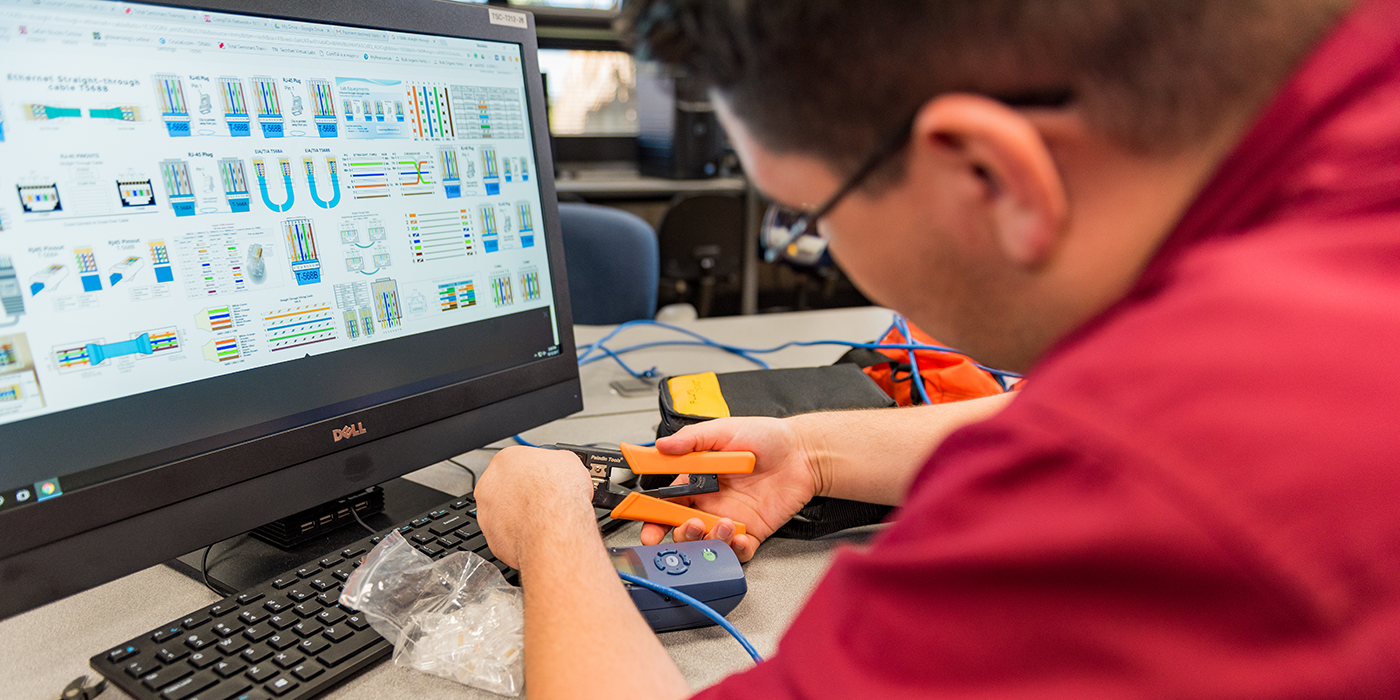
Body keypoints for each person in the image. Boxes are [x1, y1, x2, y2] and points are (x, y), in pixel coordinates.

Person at [474, 0, 1400, 696]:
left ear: (989, 175)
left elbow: (1136, 447)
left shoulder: (1153, 473)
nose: (816, 240)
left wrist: (552, 532)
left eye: (807, 212)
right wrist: (819, 452)